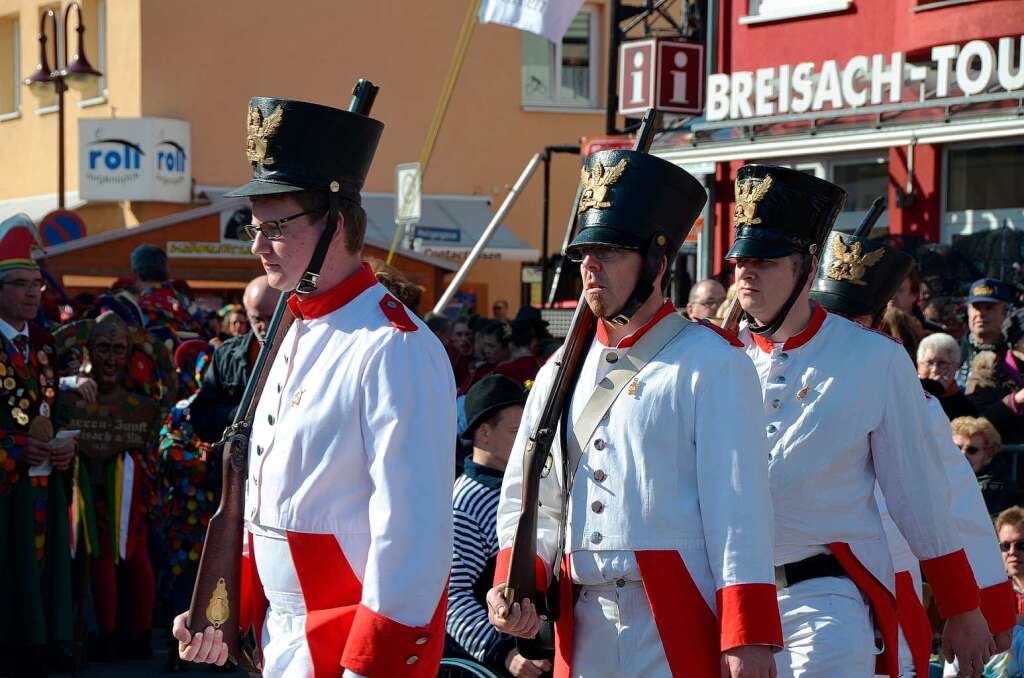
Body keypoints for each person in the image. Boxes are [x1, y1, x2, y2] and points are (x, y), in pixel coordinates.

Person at [172, 95, 455, 677]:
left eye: (275, 227)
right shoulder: (297, 327)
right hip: (281, 634)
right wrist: (221, 609)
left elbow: (413, 537)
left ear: (336, 223)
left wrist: (372, 666)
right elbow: (266, 506)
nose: (257, 247)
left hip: (346, 639)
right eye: (255, 227)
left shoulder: (392, 345)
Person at [489, 149, 782, 677]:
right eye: (585, 252)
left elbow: (738, 510)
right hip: (582, 622)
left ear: (656, 262)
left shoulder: (712, 362)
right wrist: (517, 582)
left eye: (610, 252)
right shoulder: (560, 369)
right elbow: (531, 494)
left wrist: (747, 633)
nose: (590, 266)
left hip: (676, 616)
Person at [726, 164, 993, 677]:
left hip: (825, 600)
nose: (745, 273)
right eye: (740, 260)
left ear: (806, 267)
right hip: (723, 599)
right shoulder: (711, 357)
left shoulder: (875, 359)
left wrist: (963, 605)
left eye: (763, 259)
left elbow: (919, 493)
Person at [808, 231, 1015, 678]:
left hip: (881, 584)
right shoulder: (765, 385)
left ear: (877, 325)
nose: (839, 333)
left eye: (854, 321)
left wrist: (989, 605)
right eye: (829, 318)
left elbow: (953, 500)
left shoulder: (911, 401)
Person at [0, 218, 77, 676]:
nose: (33, 294)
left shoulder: (43, 346)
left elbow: (53, 412)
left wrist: (65, 445)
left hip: (42, 484)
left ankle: (43, 642)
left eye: (37, 285)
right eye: (21, 285)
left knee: (44, 567)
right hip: (7, 486)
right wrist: (13, 448)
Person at [446, 375, 549, 677]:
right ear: (484, 433)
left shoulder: (524, 487)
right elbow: (451, 596)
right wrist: (504, 653)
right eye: (516, 431)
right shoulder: (466, 502)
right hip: (496, 665)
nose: (525, 441)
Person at [190, 275, 281, 444]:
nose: (264, 326)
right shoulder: (226, 355)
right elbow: (201, 415)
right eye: (257, 319)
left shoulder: (305, 351)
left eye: (271, 317)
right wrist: (238, 415)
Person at [952, 416, 1022, 517]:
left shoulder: (1000, 490)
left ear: (988, 454)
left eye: (972, 450)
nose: (962, 455)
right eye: (956, 448)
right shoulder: (935, 479)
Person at [919, 332, 977, 420]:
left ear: (955, 367)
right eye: (929, 362)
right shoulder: (909, 393)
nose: (935, 369)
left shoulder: (965, 407)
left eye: (942, 363)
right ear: (919, 364)